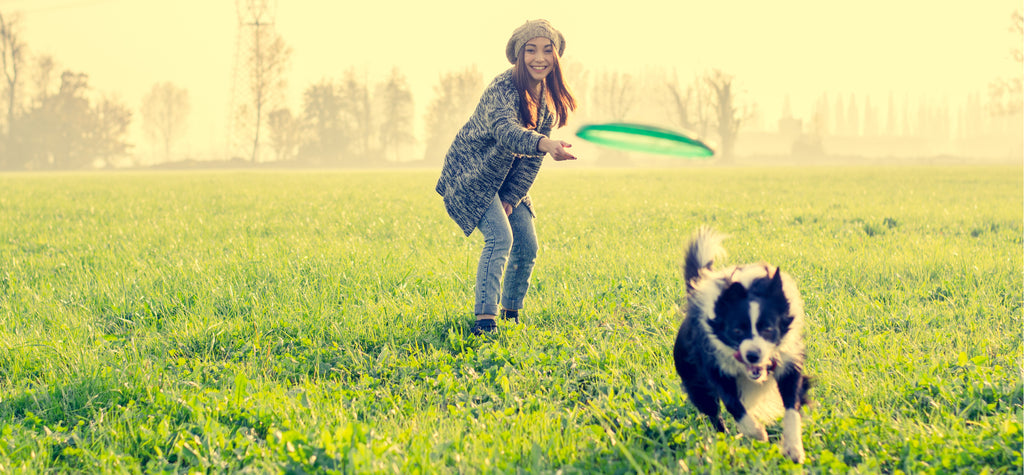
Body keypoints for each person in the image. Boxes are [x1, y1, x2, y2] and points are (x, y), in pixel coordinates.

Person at [435, 19, 578, 335]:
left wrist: (512, 197)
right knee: (500, 238)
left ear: (556, 56)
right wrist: (544, 143)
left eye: (547, 50)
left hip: (504, 183)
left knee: (526, 244)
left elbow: (529, 165)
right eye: (531, 50)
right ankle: (484, 321)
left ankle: (511, 314)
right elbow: (507, 132)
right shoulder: (502, 88)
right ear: (518, 54)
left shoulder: (546, 106)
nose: (539, 58)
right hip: (472, 177)